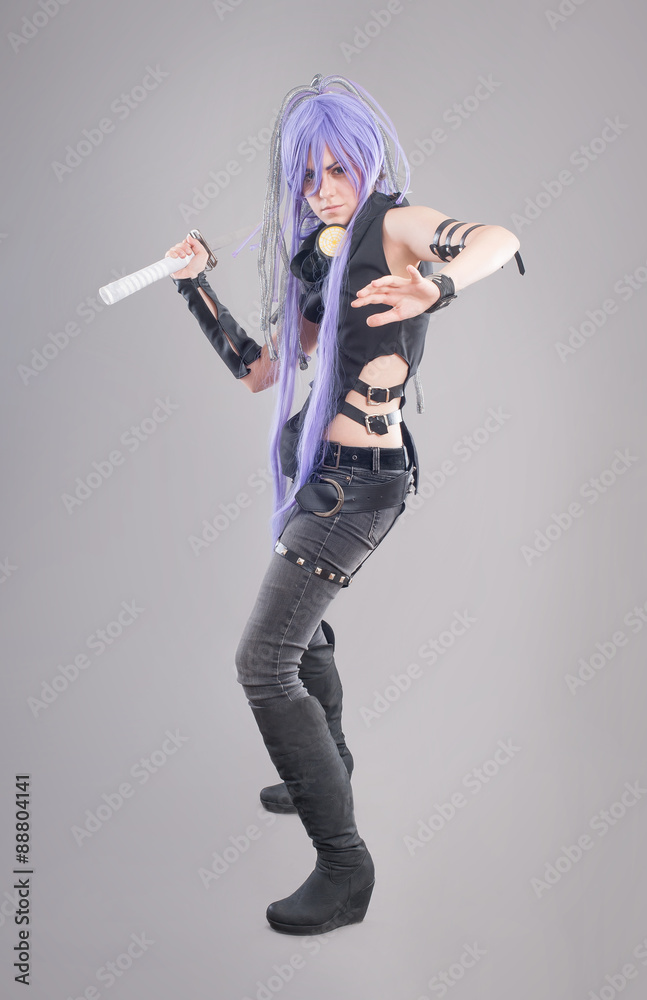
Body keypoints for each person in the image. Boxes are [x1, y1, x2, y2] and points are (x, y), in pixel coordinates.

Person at [165, 74, 523, 936]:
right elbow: (262, 372)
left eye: (336, 169)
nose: (322, 189)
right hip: (315, 471)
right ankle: (327, 763)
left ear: (364, 161)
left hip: (358, 485)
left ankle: (344, 868)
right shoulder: (320, 255)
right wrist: (195, 286)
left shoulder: (395, 225)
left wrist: (436, 286)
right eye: (305, 175)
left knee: (264, 663)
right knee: (305, 634)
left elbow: (497, 238)